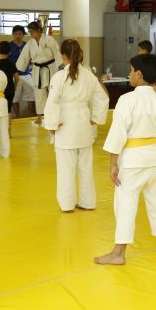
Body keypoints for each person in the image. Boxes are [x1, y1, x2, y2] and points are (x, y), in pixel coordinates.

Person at [94, 53, 156, 264]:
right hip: (155, 158)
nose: (129, 74)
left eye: (131, 71)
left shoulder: (127, 100)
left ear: (138, 74)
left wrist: (113, 163)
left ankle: (119, 253)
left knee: (125, 203)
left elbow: (118, 133)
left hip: (132, 161)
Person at [43, 39, 109, 212]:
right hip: (84, 123)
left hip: (65, 124)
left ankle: (67, 204)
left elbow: (52, 102)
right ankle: (88, 202)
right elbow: (103, 98)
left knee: (66, 168)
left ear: (62, 56)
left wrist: (51, 124)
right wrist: (95, 118)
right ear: (80, 54)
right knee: (85, 167)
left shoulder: (59, 77)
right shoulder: (89, 75)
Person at [16, 21, 60, 125]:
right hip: (37, 70)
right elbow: (24, 56)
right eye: (29, 32)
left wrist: (61, 66)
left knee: (53, 92)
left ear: (39, 30)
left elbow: (57, 53)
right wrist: (18, 69)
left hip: (50, 69)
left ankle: (57, 116)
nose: (30, 34)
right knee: (39, 94)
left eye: (32, 31)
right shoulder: (30, 43)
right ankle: (40, 117)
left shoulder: (49, 40)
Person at [9, 25, 35, 118]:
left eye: (20, 34)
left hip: (26, 74)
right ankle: (17, 116)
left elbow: (32, 58)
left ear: (23, 35)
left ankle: (31, 114)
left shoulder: (27, 45)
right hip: (14, 75)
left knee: (32, 94)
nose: (17, 36)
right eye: (15, 34)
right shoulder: (9, 46)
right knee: (15, 97)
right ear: (13, 35)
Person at [0, 41, 19, 116]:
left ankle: (0, 126)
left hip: (0, 90)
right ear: (9, 52)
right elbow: (17, 78)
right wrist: (14, 87)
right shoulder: (12, 64)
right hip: (10, 89)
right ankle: (8, 126)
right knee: (8, 109)